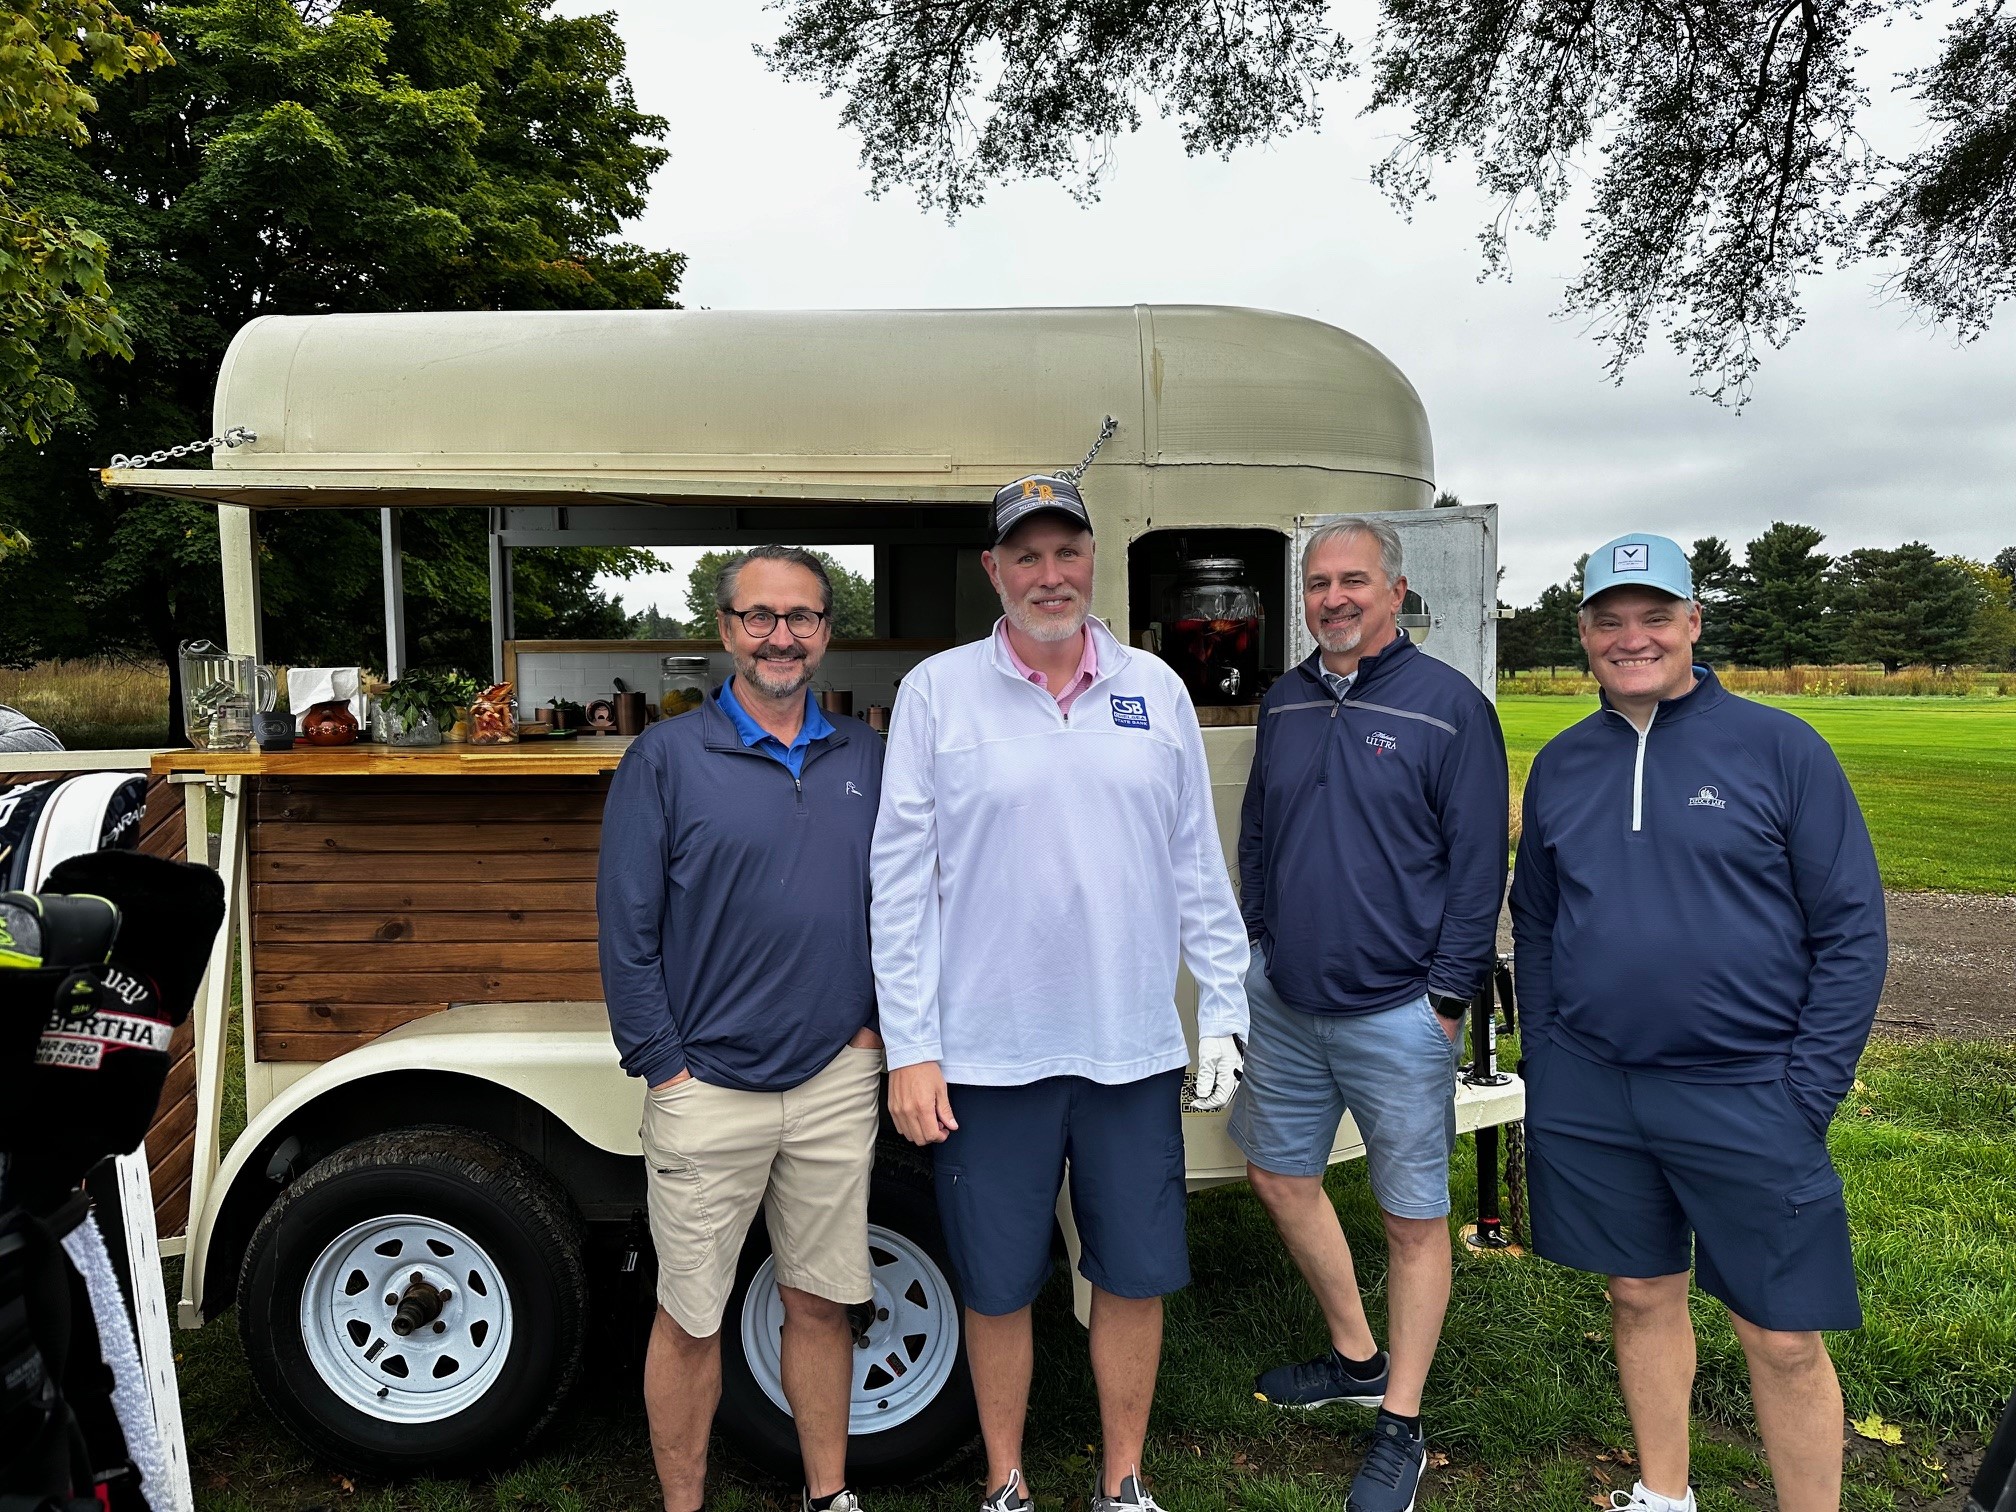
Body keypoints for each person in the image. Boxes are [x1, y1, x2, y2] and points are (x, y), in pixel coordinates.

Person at [871, 473, 1249, 1512]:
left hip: (1130, 1048)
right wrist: (913, 1047)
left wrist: (1223, 1002)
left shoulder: (1155, 688)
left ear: (1093, 562)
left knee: (1133, 1273)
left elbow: (1194, 867)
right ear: (993, 570)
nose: (1049, 574)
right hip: (986, 1055)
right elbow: (898, 885)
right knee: (996, 1282)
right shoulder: (939, 693)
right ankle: (1006, 1482)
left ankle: (1123, 1482)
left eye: (1066, 552)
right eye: (1025, 556)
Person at [1510, 534, 1887, 1512]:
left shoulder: (1780, 748)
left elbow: (1851, 930)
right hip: (1596, 1084)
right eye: (1609, 619)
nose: (1632, 637)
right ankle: (1663, 1493)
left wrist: (1805, 1092)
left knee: (1781, 1334)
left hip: (1749, 1088)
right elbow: (1541, 924)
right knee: (1637, 1294)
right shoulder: (1560, 765)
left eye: (1654, 615)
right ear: (1584, 633)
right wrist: (1548, 1063)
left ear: (1694, 622)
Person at [598, 546, 887, 1512]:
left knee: (820, 1301)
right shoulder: (666, 760)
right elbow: (625, 930)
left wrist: (871, 1032)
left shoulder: (867, 759)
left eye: (801, 617)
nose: (781, 636)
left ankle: (828, 1495)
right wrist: (665, 1069)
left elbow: (908, 908)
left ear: (825, 632)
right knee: (690, 1317)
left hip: (833, 1082)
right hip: (704, 1088)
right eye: (759, 616)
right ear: (725, 630)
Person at [1230, 516, 1509, 1512]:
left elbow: (1479, 873)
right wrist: (1262, 941)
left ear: (1396, 593)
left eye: (1353, 581)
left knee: (1412, 1218)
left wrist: (1443, 1001)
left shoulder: (1451, 709)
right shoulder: (1287, 701)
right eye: (1317, 584)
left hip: (1398, 1013)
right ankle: (1355, 1353)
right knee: (1278, 1175)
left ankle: (1403, 1423)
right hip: (1291, 1004)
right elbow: (1259, 835)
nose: (1333, 598)